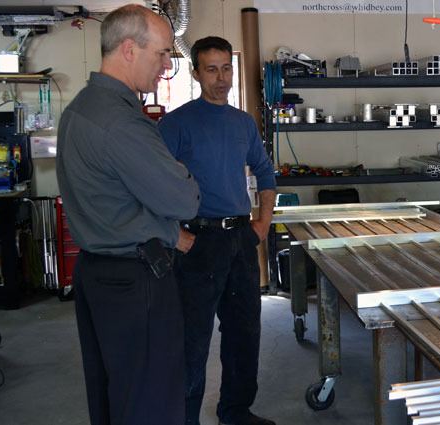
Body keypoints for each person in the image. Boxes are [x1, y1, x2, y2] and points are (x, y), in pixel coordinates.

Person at [56, 5, 200, 425]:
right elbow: (183, 199)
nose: (165, 67)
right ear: (128, 49)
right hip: (134, 283)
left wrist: (164, 228)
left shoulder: (79, 110)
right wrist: (181, 178)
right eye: (161, 55)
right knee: (151, 401)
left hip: (97, 275)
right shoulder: (121, 123)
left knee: (113, 393)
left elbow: (110, 203)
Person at [158, 36, 277, 425]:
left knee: (244, 333)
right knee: (192, 340)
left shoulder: (243, 123)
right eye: (211, 69)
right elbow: (153, 182)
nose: (221, 78)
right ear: (195, 73)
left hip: (241, 239)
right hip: (198, 243)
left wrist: (262, 223)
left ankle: (236, 411)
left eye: (227, 68)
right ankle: (184, 418)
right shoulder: (176, 124)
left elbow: (265, 172)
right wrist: (174, 232)